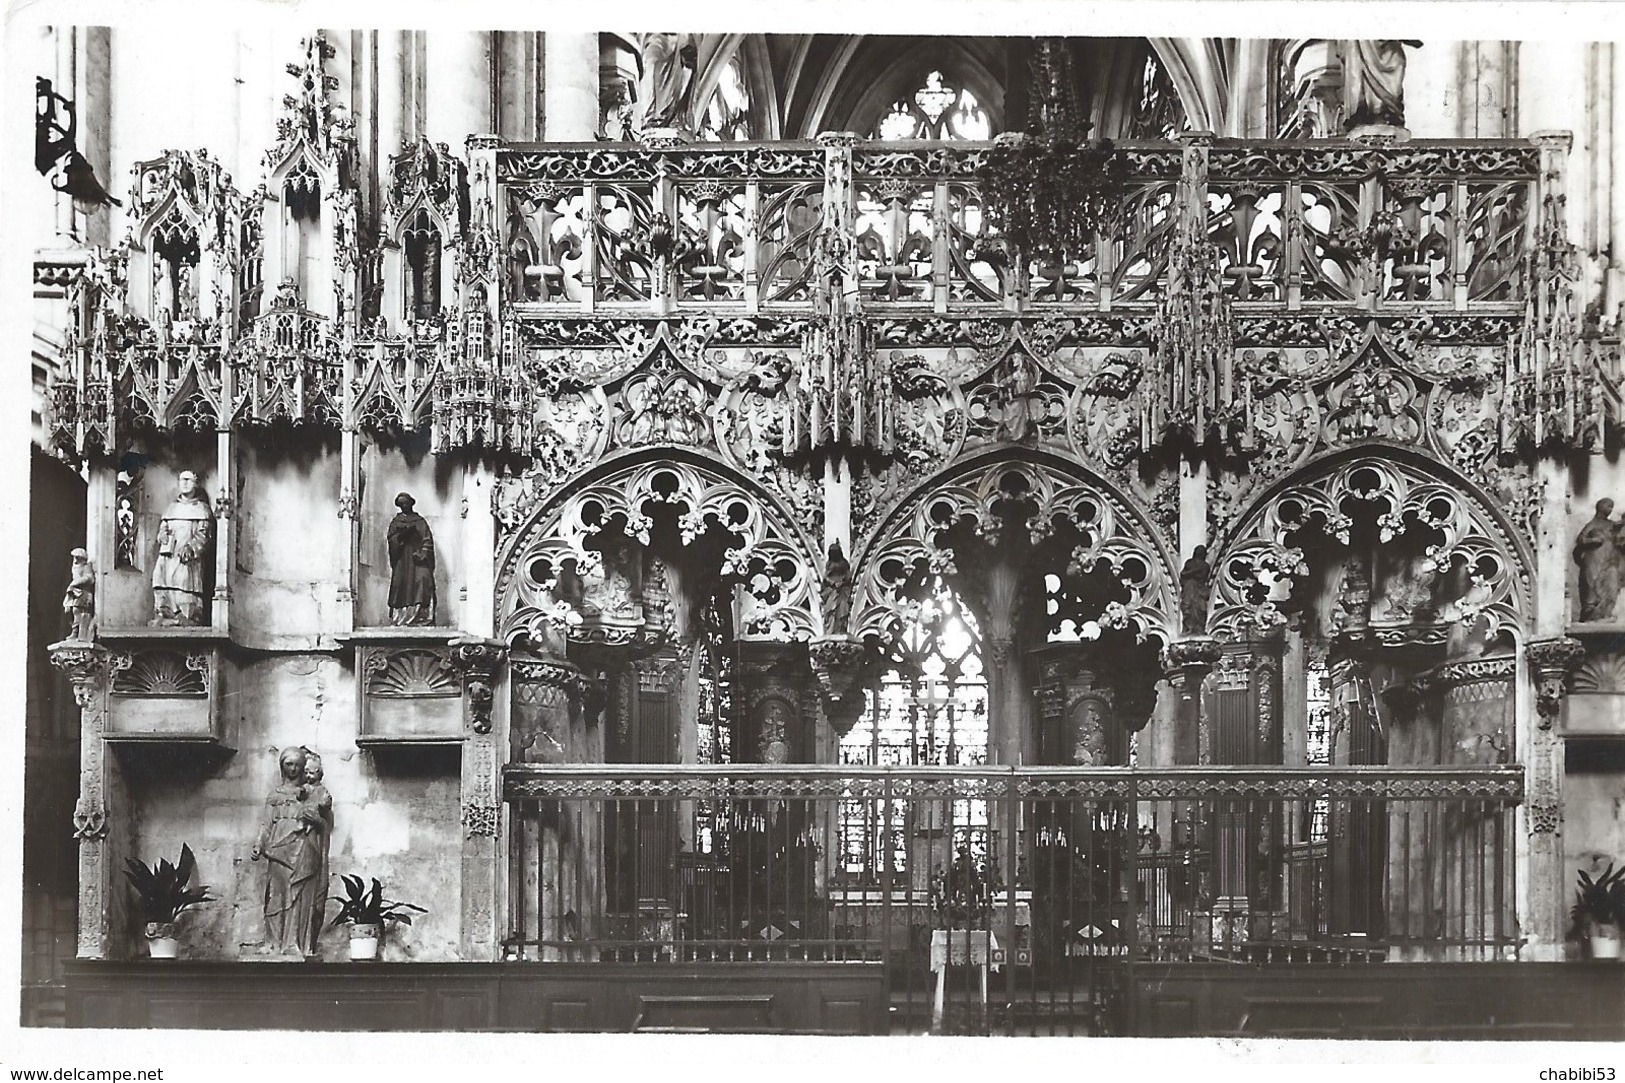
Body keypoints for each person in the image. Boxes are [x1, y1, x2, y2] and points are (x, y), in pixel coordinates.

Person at [251, 747, 308, 954]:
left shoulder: (307, 793)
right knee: (274, 894)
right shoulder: (274, 795)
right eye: (288, 764)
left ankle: (292, 942)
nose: (293, 769)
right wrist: (259, 844)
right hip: (276, 848)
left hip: (299, 847)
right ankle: (273, 942)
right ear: (282, 766)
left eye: (297, 765)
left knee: (295, 895)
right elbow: (266, 824)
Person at [151, 470, 214, 626]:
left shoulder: (202, 509)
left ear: (196, 483)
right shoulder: (171, 508)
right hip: (168, 554)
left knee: (183, 581)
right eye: (182, 479)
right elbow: (163, 527)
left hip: (188, 557)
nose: (185, 483)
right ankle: (164, 614)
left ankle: (186, 616)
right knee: (160, 578)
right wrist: (162, 534)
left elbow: (203, 535)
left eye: (188, 479)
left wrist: (191, 548)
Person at [292, 750, 333, 957]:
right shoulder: (303, 790)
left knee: (316, 893)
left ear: (320, 774)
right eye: (306, 772)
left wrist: (316, 814)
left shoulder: (322, 792)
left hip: (314, 841)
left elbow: (326, 806)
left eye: (313, 773)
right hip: (299, 842)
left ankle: (309, 943)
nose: (309, 776)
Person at [1341, 40, 1420, 130]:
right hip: (1362, 46)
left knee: (1396, 63)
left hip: (1389, 49)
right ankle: (1367, 112)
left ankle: (1388, 113)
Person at [387, 492, 437, 626]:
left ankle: (421, 616)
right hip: (402, 560)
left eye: (406, 503)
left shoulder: (419, 521)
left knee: (423, 579)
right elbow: (391, 540)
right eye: (402, 504)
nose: (405, 506)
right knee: (399, 584)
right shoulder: (396, 522)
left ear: (411, 503)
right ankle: (401, 617)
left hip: (417, 559)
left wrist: (422, 553)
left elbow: (428, 539)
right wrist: (400, 537)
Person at [637, 33, 698, 132]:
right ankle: (653, 115)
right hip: (657, 46)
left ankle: (664, 116)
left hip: (677, 50)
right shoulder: (653, 47)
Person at [1575, 498, 1622, 622]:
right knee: (1591, 584)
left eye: (1612, 506)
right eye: (1608, 506)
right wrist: (1593, 541)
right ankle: (1590, 612)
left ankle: (1605, 613)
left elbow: (1619, 529)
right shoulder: (1592, 524)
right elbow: (1580, 540)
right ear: (1600, 507)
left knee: (1609, 586)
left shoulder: (1611, 525)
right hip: (1593, 559)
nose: (1611, 509)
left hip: (1608, 560)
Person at [63, 547, 95, 641]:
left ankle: (76, 632)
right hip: (75, 592)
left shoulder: (86, 567)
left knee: (77, 611)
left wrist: (77, 582)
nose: (76, 560)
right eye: (74, 557)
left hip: (83, 593)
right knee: (70, 610)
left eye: (78, 557)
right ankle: (74, 630)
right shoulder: (74, 568)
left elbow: (90, 578)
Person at [1179, 545, 1212, 635]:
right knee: (1188, 606)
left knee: (1201, 609)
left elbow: (1203, 576)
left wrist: (1192, 573)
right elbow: (1183, 574)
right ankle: (1188, 627)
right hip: (1189, 588)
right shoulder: (1189, 563)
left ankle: (1199, 628)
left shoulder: (1205, 566)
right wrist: (1195, 571)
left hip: (1199, 589)